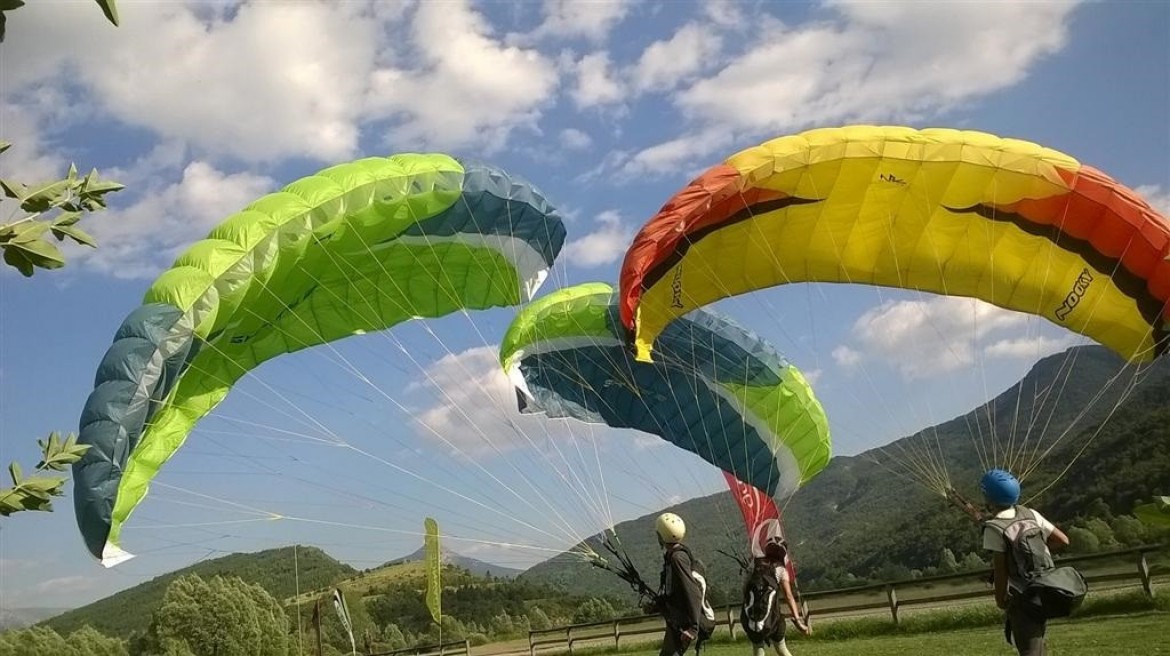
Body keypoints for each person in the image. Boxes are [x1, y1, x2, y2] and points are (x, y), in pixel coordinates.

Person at [980, 469, 1070, 656]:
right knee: (1038, 644)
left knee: (1029, 649)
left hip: (1022, 596)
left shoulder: (994, 528)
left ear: (989, 498)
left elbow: (1000, 569)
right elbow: (1063, 540)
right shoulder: (1031, 514)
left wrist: (1000, 599)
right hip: (1045, 587)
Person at [643, 512, 716, 656]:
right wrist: (656, 606)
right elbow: (675, 592)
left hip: (685, 622)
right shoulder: (674, 556)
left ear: (661, 536)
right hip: (678, 618)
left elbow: (692, 592)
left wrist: (693, 629)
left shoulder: (677, 558)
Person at [741, 538, 810, 656]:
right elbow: (789, 597)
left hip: (753, 620)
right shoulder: (781, 570)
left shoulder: (755, 564)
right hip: (774, 619)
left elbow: (745, 590)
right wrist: (798, 621)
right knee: (782, 649)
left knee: (758, 648)